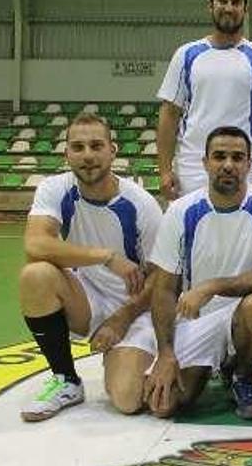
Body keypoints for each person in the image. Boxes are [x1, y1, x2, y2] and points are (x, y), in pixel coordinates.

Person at [139, 126, 252, 419]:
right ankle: (219, 364)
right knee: (164, 406)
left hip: (246, 313)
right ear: (205, 162)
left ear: (250, 164)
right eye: (219, 156)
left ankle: (242, 376)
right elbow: (163, 289)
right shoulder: (182, 210)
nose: (228, 165)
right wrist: (166, 354)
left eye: (237, 158)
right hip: (197, 316)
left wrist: (209, 287)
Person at [18, 112, 162, 421]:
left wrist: (121, 320)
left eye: (96, 146)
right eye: (78, 147)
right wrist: (105, 256)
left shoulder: (141, 204)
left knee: (127, 398)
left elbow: (162, 280)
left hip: (134, 307)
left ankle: (148, 356)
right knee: (36, 275)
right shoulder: (55, 189)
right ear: (66, 153)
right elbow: (35, 245)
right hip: (86, 297)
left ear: (113, 151)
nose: (87, 156)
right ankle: (66, 380)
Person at [156, 0, 252, 199]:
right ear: (211, 5)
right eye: (222, 1)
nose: (229, 7)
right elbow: (169, 114)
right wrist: (166, 171)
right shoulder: (186, 55)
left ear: (245, 9)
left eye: (236, 2)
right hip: (192, 169)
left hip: (242, 168)